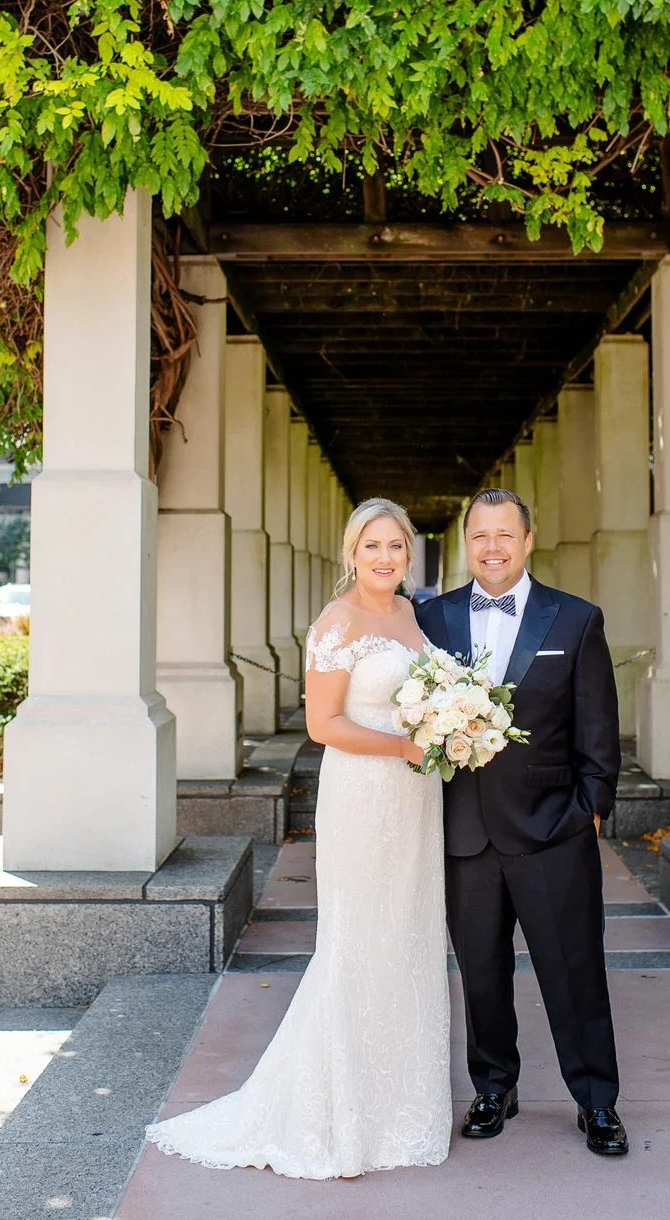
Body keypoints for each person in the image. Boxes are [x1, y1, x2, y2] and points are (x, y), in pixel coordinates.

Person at [145, 497, 451, 1180]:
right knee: (357, 940)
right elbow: (324, 724)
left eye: (395, 546)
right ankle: (339, 1119)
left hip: (416, 795)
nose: (384, 557)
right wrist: (405, 746)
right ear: (351, 553)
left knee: (408, 934)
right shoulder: (336, 622)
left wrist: (445, 729)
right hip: (367, 790)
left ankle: (400, 1106)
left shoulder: (410, 615)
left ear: (409, 553)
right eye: (371, 546)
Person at [416, 487, 627, 1157]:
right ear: (466, 542)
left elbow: (599, 730)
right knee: (480, 971)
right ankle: (492, 1087)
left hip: (552, 831)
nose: (492, 547)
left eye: (505, 535)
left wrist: (589, 811)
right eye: (480, 535)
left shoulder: (576, 620)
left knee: (574, 971)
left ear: (528, 541)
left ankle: (596, 1101)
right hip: (464, 833)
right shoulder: (432, 620)